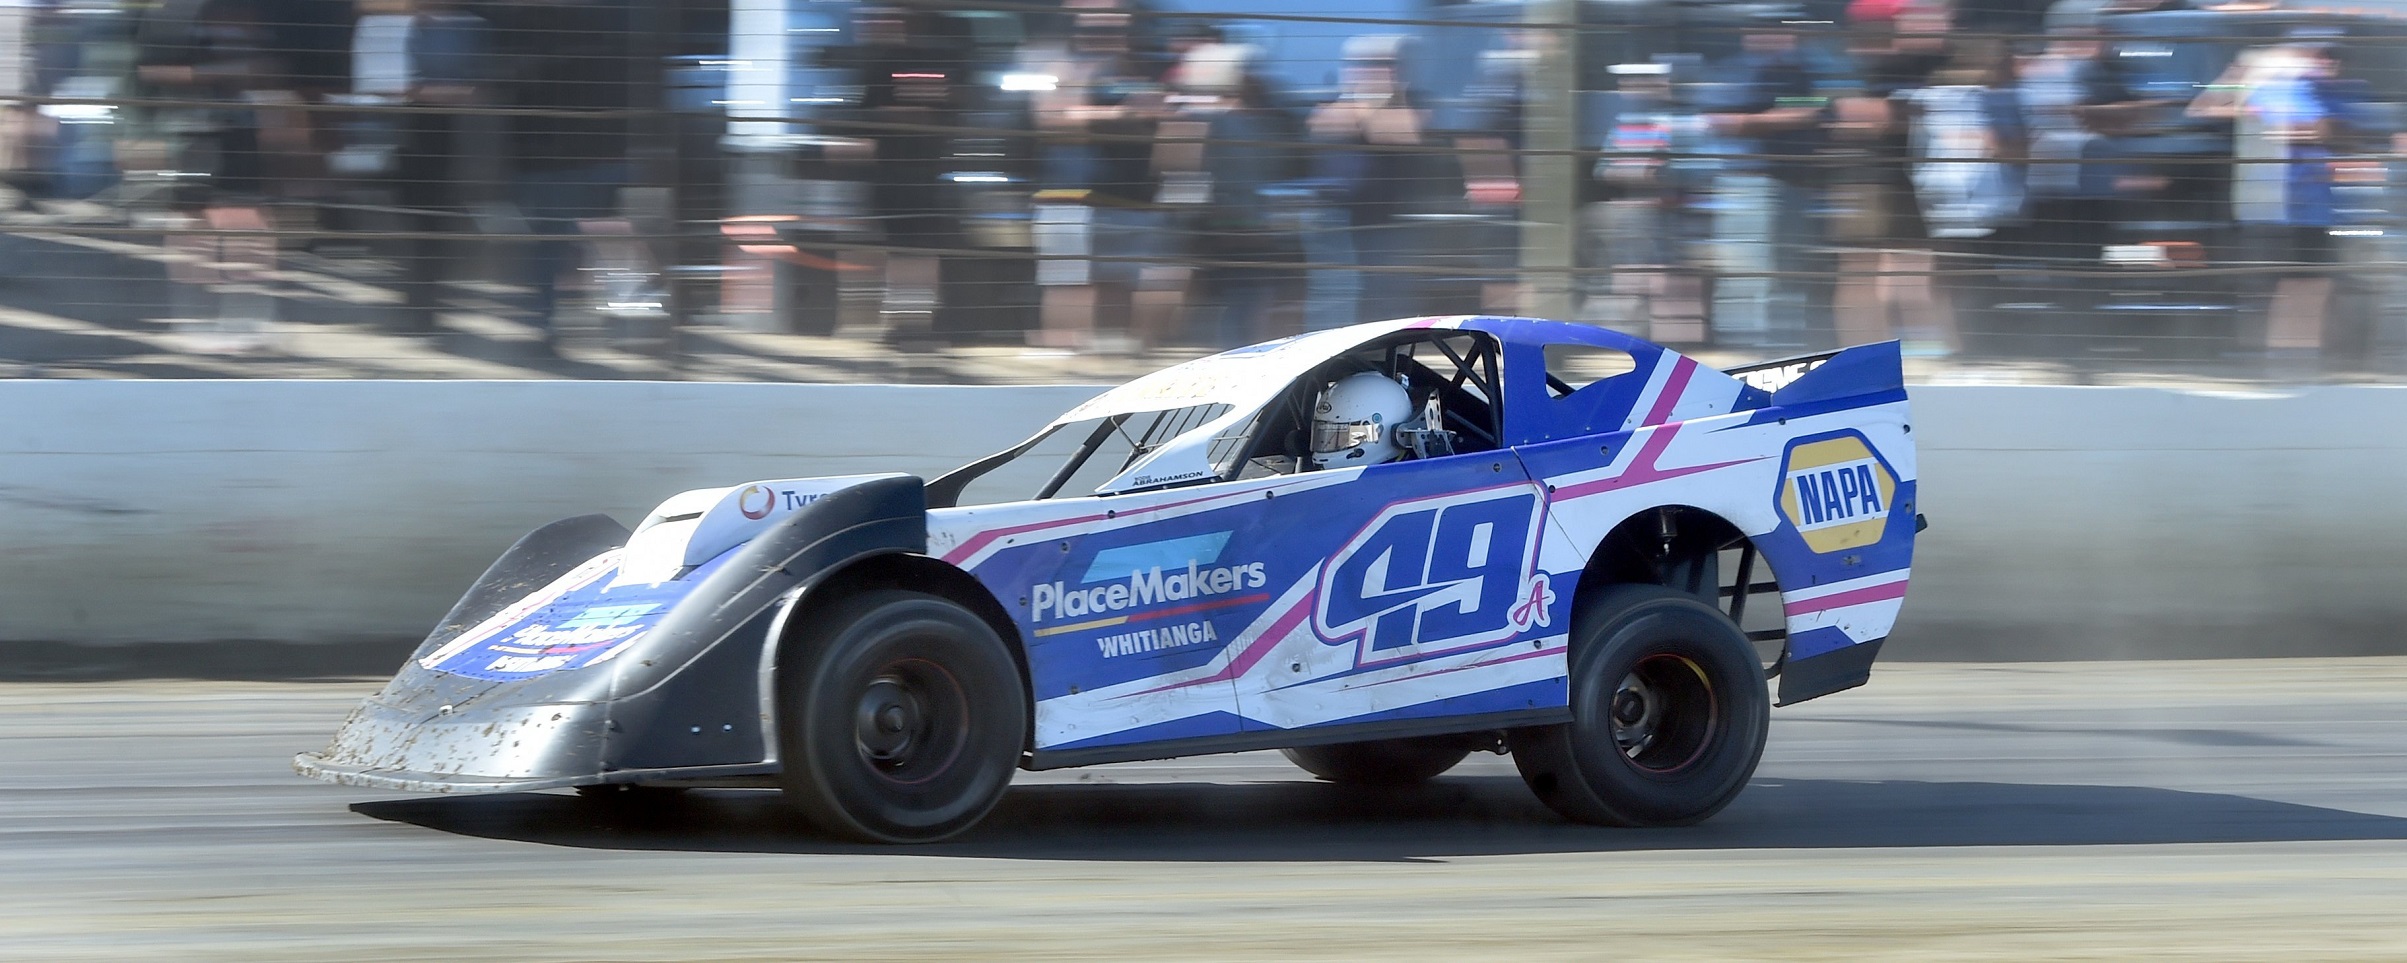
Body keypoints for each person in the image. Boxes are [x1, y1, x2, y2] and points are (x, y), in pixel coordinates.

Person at [2189, 31, 2356, 367]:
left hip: (2313, 210)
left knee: (2312, 283)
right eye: (2319, 54)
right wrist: (2234, 76)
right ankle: (2274, 357)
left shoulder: (2328, 93)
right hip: (2268, 208)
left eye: (2332, 56)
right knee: (2272, 286)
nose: (2328, 62)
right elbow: (2202, 109)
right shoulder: (2268, 86)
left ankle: (2302, 357)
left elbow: (2340, 134)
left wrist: (2286, 128)